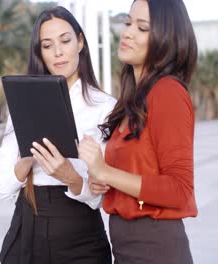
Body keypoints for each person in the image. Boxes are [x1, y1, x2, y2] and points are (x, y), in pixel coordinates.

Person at [0, 6, 115, 264]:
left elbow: (104, 195)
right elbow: (0, 187)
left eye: (65, 41)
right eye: (47, 45)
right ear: (40, 53)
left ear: (80, 42)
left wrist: (71, 177)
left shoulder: (106, 108)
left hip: (80, 237)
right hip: (27, 228)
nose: (58, 52)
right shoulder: (22, 104)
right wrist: (28, 158)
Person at [78, 0, 198, 263]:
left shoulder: (167, 92)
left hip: (155, 247)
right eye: (128, 22)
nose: (128, 32)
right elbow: (137, 175)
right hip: (126, 245)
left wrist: (106, 170)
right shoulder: (132, 99)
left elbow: (180, 189)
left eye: (142, 28)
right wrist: (104, 182)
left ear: (167, 39)